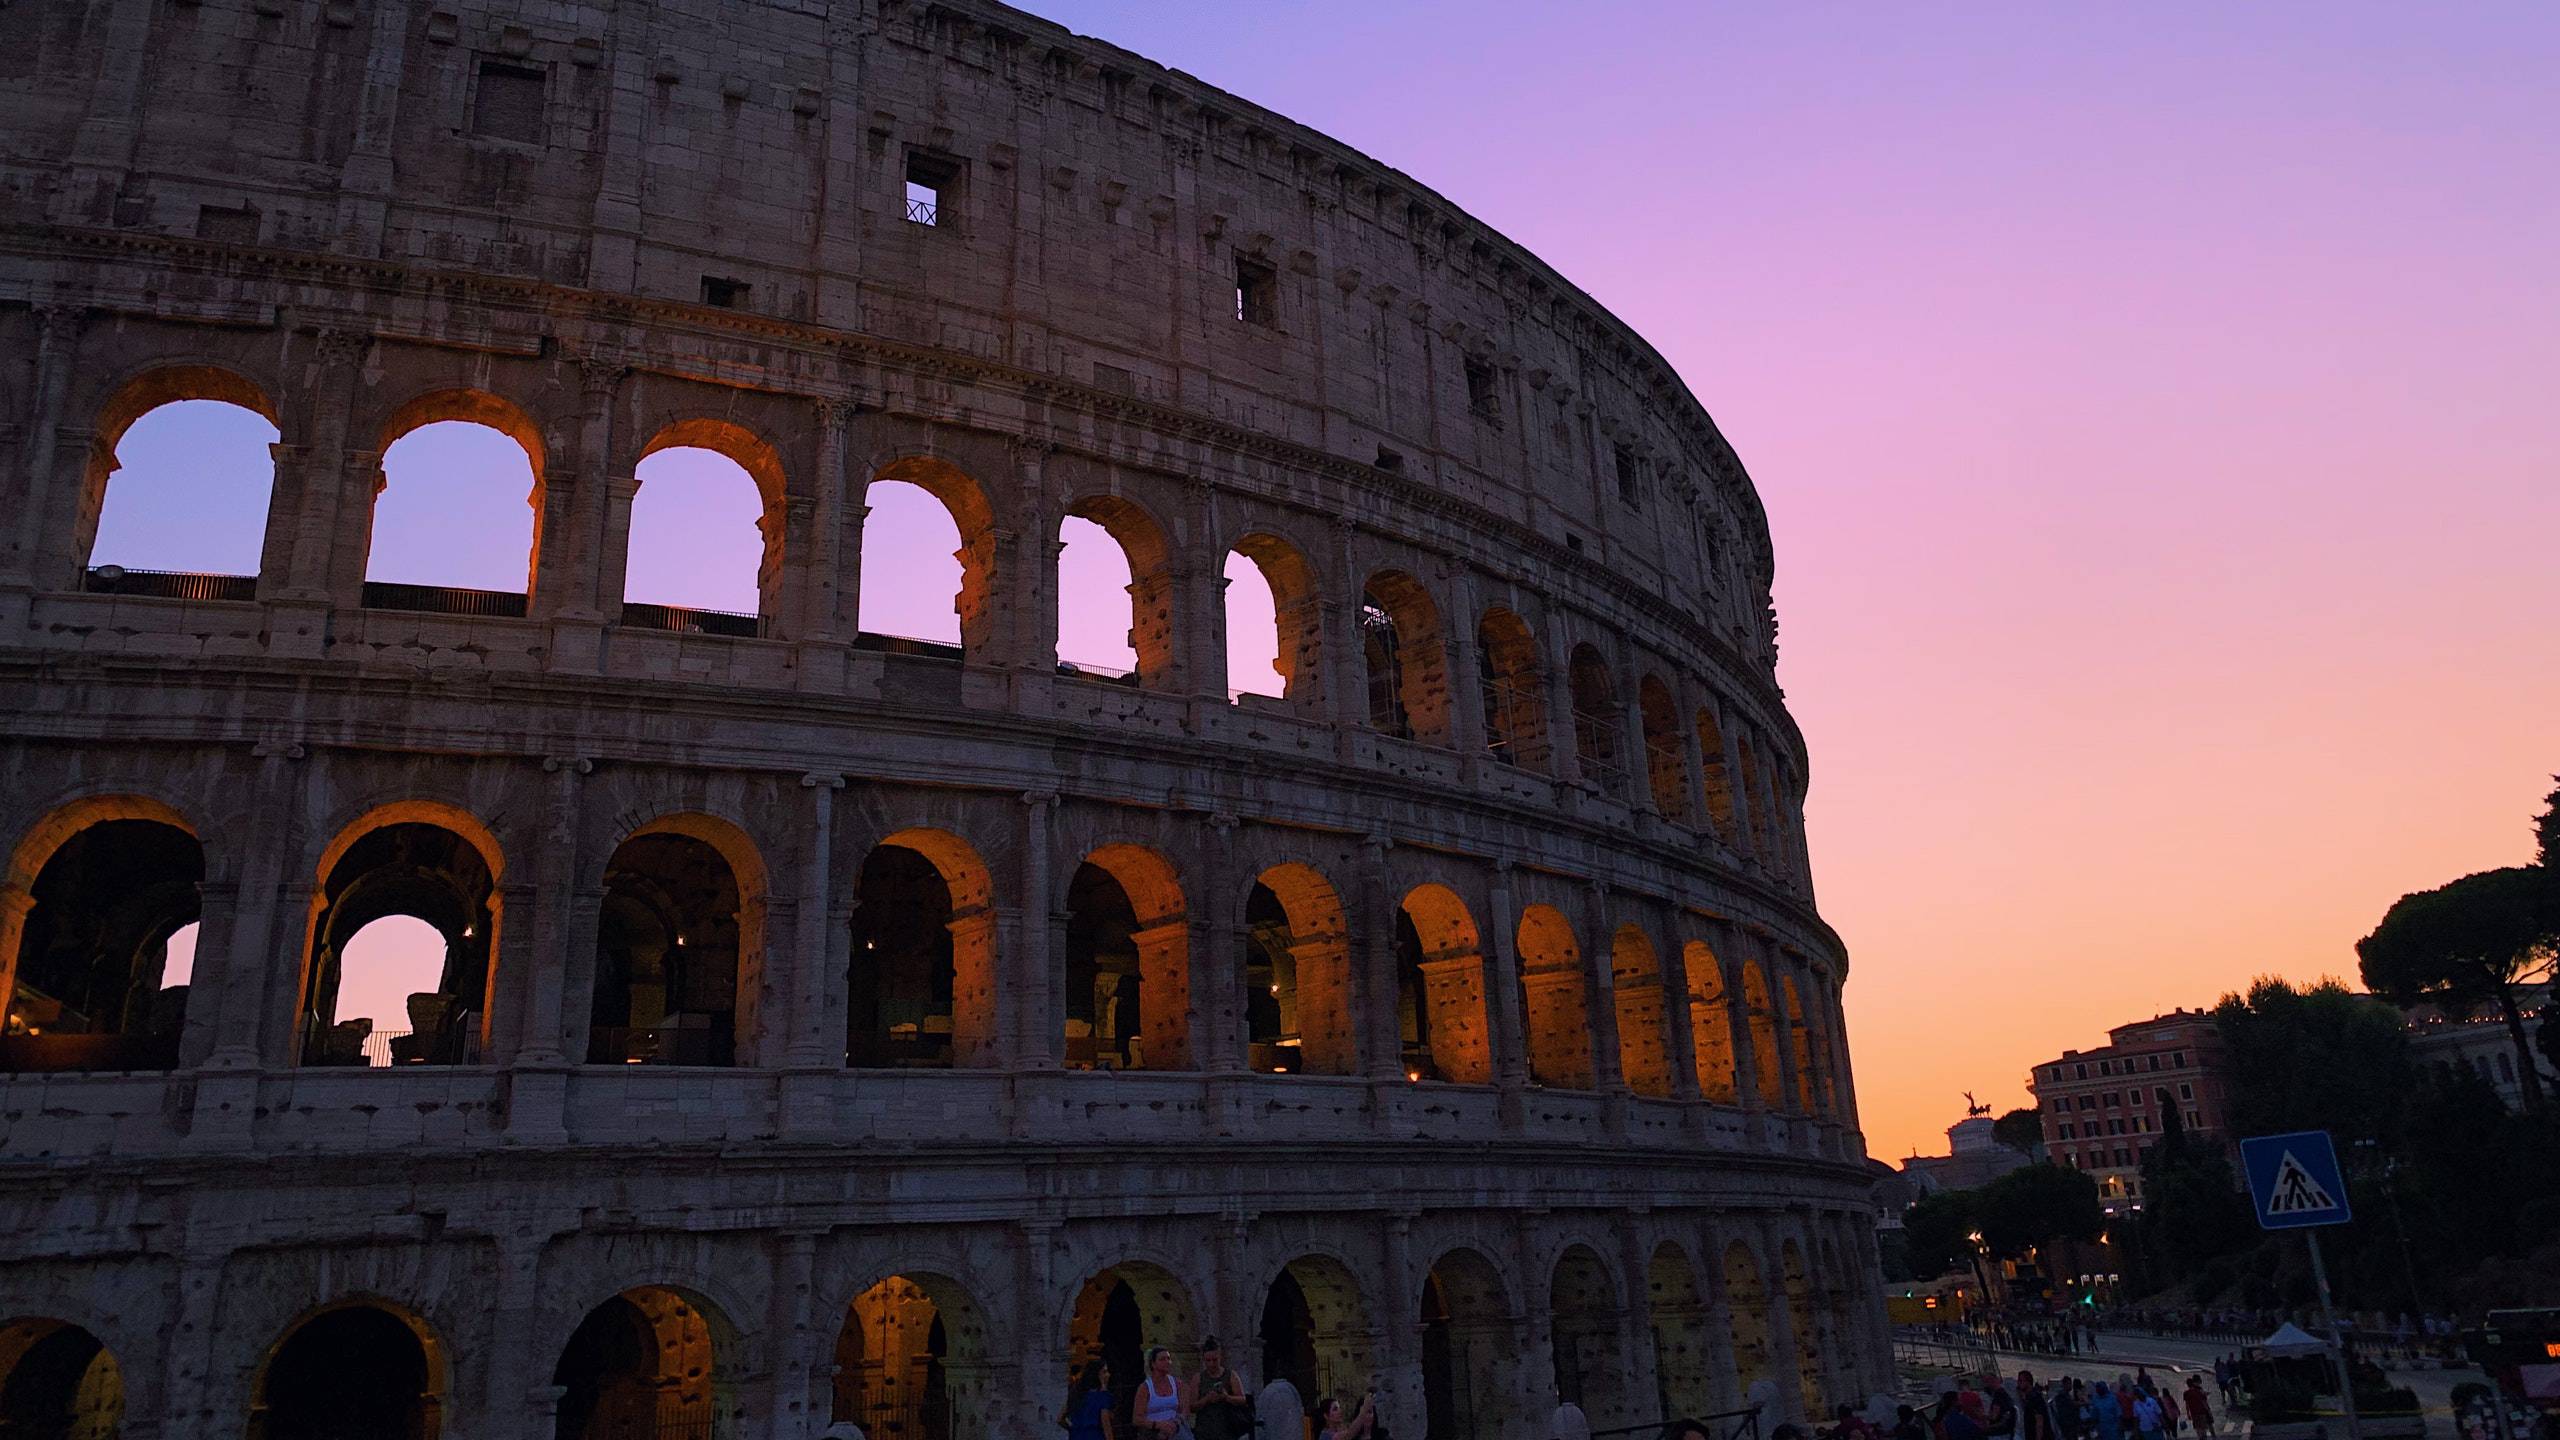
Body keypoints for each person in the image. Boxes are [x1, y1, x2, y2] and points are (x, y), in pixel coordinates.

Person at [1191, 1337, 1249, 1440]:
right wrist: (1206, 1399)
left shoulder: (1231, 1375)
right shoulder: (1198, 1378)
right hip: (1205, 1431)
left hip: (1227, 1430)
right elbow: (1192, 1406)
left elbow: (1242, 1399)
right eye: (1208, 1361)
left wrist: (1226, 1397)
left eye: (1215, 1360)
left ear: (1220, 1357)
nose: (1211, 1364)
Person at [1131, 1348, 1184, 1440]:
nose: (1167, 1362)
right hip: (1152, 1434)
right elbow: (1137, 1419)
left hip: (1174, 1432)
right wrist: (1157, 1425)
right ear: (1153, 1364)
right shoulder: (1145, 1388)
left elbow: (1184, 1410)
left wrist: (1175, 1423)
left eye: (1168, 1358)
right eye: (1162, 1359)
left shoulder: (1177, 1384)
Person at [1060, 1360, 1117, 1440]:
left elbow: (1060, 1418)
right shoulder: (1102, 1397)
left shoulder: (1076, 1394)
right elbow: (1106, 1426)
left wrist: (1074, 1428)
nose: (1108, 1375)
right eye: (1104, 1372)